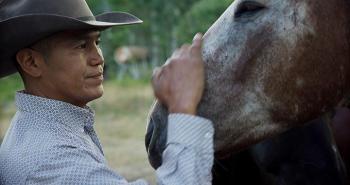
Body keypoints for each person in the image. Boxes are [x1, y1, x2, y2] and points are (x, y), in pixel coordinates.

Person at [0, 0, 214, 184]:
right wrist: (183, 105)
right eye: (81, 46)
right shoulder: (51, 159)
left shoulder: (40, 129)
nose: (98, 58)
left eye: (97, 42)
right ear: (31, 62)